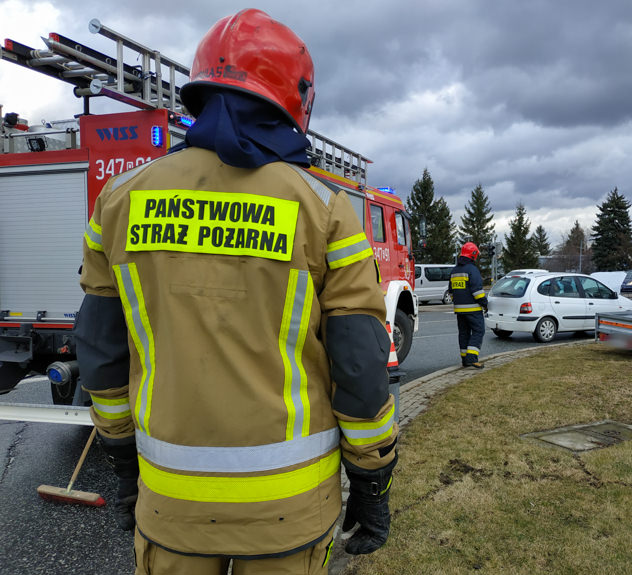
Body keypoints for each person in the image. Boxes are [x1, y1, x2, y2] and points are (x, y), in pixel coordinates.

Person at [74, 10, 397, 574]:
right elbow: (359, 364)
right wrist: (371, 481)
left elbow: (101, 352)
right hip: (289, 510)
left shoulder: (120, 200)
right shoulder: (323, 210)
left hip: (170, 504)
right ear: (295, 99)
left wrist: (124, 461)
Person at [450, 242, 487, 368]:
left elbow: (451, 291)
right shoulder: (472, 270)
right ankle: (472, 358)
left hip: (459, 311)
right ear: (473, 255)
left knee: (463, 333)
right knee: (478, 331)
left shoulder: (454, 271)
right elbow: (478, 292)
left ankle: (465, 360)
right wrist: (485, 304)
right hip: (473, 310)